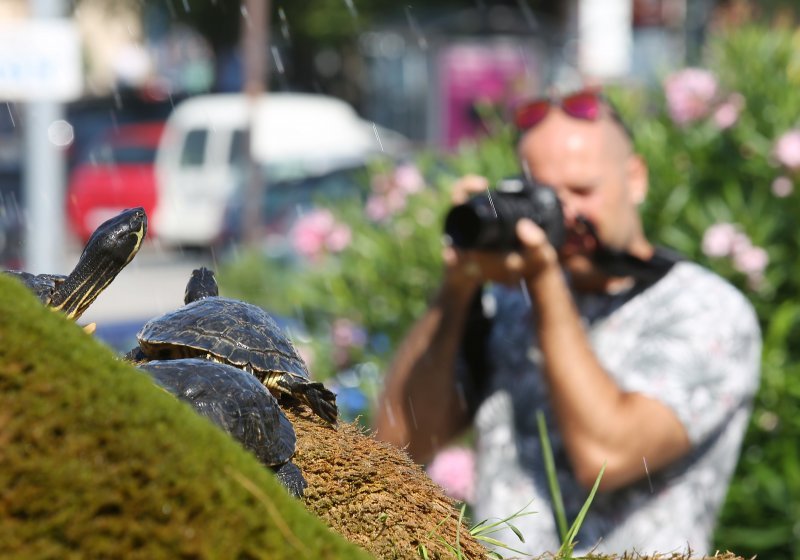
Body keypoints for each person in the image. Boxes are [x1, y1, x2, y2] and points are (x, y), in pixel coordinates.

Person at [374, 88, 761, 556]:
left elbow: (606, 458)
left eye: (581, 190)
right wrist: (460, 286)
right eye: (543, 194)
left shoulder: (706, 308)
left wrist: (543, 280)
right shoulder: (509, 301)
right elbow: (399, 441)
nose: (563, 214)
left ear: (634, 178)